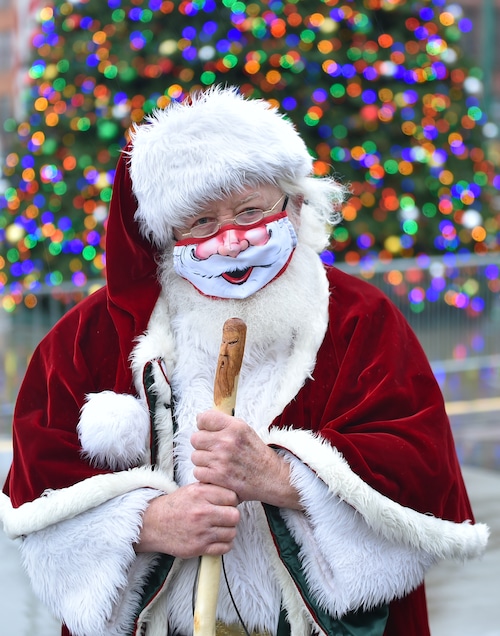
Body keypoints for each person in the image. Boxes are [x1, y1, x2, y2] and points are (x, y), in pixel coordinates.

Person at [0, 86, 488, 636]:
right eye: (202, 222)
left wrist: (283, 476)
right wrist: (143, 522)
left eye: (251, 211)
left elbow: (417, 466)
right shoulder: (93, 335)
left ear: (296, 204)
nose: (230, 241)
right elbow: (37, 482)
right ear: (165, 237)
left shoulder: (361, 320)